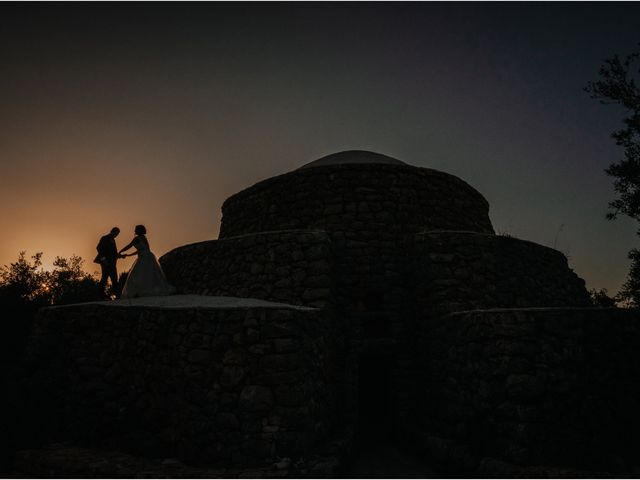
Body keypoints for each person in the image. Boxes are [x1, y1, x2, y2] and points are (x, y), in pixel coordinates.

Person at [119, 224, 175, 299]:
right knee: (147, 274)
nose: (134, 230)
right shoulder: (144, 238)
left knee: (138, 274)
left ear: (139, 230)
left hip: (144, 257)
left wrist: (120, 251)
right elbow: (142, 250)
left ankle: (140, 291)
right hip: (148, 256)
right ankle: (144, 290)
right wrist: (128, 255)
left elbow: (129, 246)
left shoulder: (136, 239)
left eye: (136, 229)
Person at [95, 227, 124, 299]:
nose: (116, 235)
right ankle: (100, 295)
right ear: (111, 231)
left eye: (117, 234)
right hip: (106, 262)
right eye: (115, 233)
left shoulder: (113, 240)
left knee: (114, 279)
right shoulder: (104, 238)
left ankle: (117, 295)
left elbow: (113, 253)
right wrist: (103, 259)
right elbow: (99, 248)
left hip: (112, 263)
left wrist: (120, 256)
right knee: (105, 278)